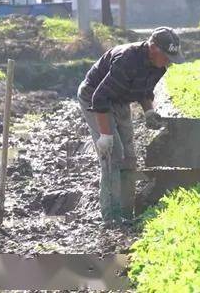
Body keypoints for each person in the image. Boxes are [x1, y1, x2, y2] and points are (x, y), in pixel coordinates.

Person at [77, 27, 184, 223]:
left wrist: (149, 111)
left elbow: (144, 90)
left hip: (120, 97)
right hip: (94, 96)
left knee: (129, 158)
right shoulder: (127, 60)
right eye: (167, 57)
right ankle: (111, 217)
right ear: (153, 48)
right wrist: (105, 135)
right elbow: (99, 98)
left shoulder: (159, 66)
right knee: (114, 155)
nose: (169, 62)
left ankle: (126, 214)